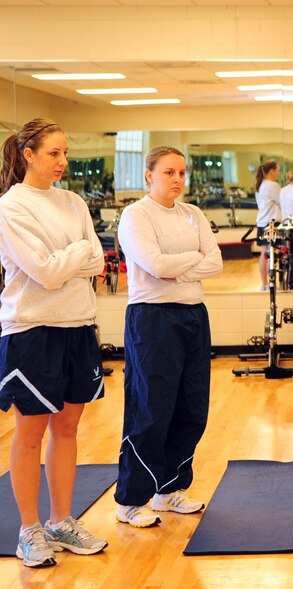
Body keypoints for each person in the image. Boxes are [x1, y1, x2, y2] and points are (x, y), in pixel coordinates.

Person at [0, 118, 109, 567]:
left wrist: (71, 259)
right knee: (31, 432)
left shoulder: (73, 201)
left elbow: (98, 260)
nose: (63, 162)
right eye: (54, 153)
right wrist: (75, 255)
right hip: (33, 329)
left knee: (67, 427)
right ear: (28, 154)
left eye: (66, 153)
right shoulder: (12, 206)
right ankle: (29, 530)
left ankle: (62, 520)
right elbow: (43, 272)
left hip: (78, 324)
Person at [114, 146, 223, 528]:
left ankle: (168, 490)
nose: (177, 179)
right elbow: (155, 266)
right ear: (149, 175)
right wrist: (192, 261)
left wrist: (181, 266)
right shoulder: (136, 215)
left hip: (193, 315)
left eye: (182, 173)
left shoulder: (193, 214)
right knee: (151, 409)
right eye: (168, 173)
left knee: (191, 408)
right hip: (152, 319)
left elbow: (217, 261)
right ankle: (130, 500)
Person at [254, 160, 281, 291]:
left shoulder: (260, 185)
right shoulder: (272, 185)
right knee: (272, 252)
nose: (279, 172)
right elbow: (282, 203)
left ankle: (264, 284)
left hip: (262, 222)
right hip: (272, 223)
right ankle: (271, 284)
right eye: (277, 170)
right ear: (272, 171)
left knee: (264, 253)